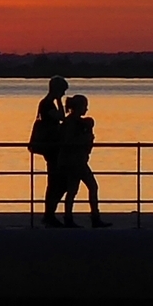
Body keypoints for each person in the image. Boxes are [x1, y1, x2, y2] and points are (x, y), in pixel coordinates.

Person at [59, 94, 109, 228]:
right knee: (89, 187)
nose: (86, 109)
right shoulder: (71, 123)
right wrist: (85, 138)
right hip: (75, 161)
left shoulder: (77, 123)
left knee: (74, 189)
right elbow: (69, 141)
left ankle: (70, 218)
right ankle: (93, 218)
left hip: (77, 160)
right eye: (84, 106)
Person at [29, 76, 68, 226]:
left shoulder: (47, 104)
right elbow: (61, 117)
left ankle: (50, 213)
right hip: (50, 147)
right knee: (55, 181)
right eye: (62, 91)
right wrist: (59, 101)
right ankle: (49, 214)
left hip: (53, 147)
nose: (63, 94)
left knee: (56, 181)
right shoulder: (46, 104)